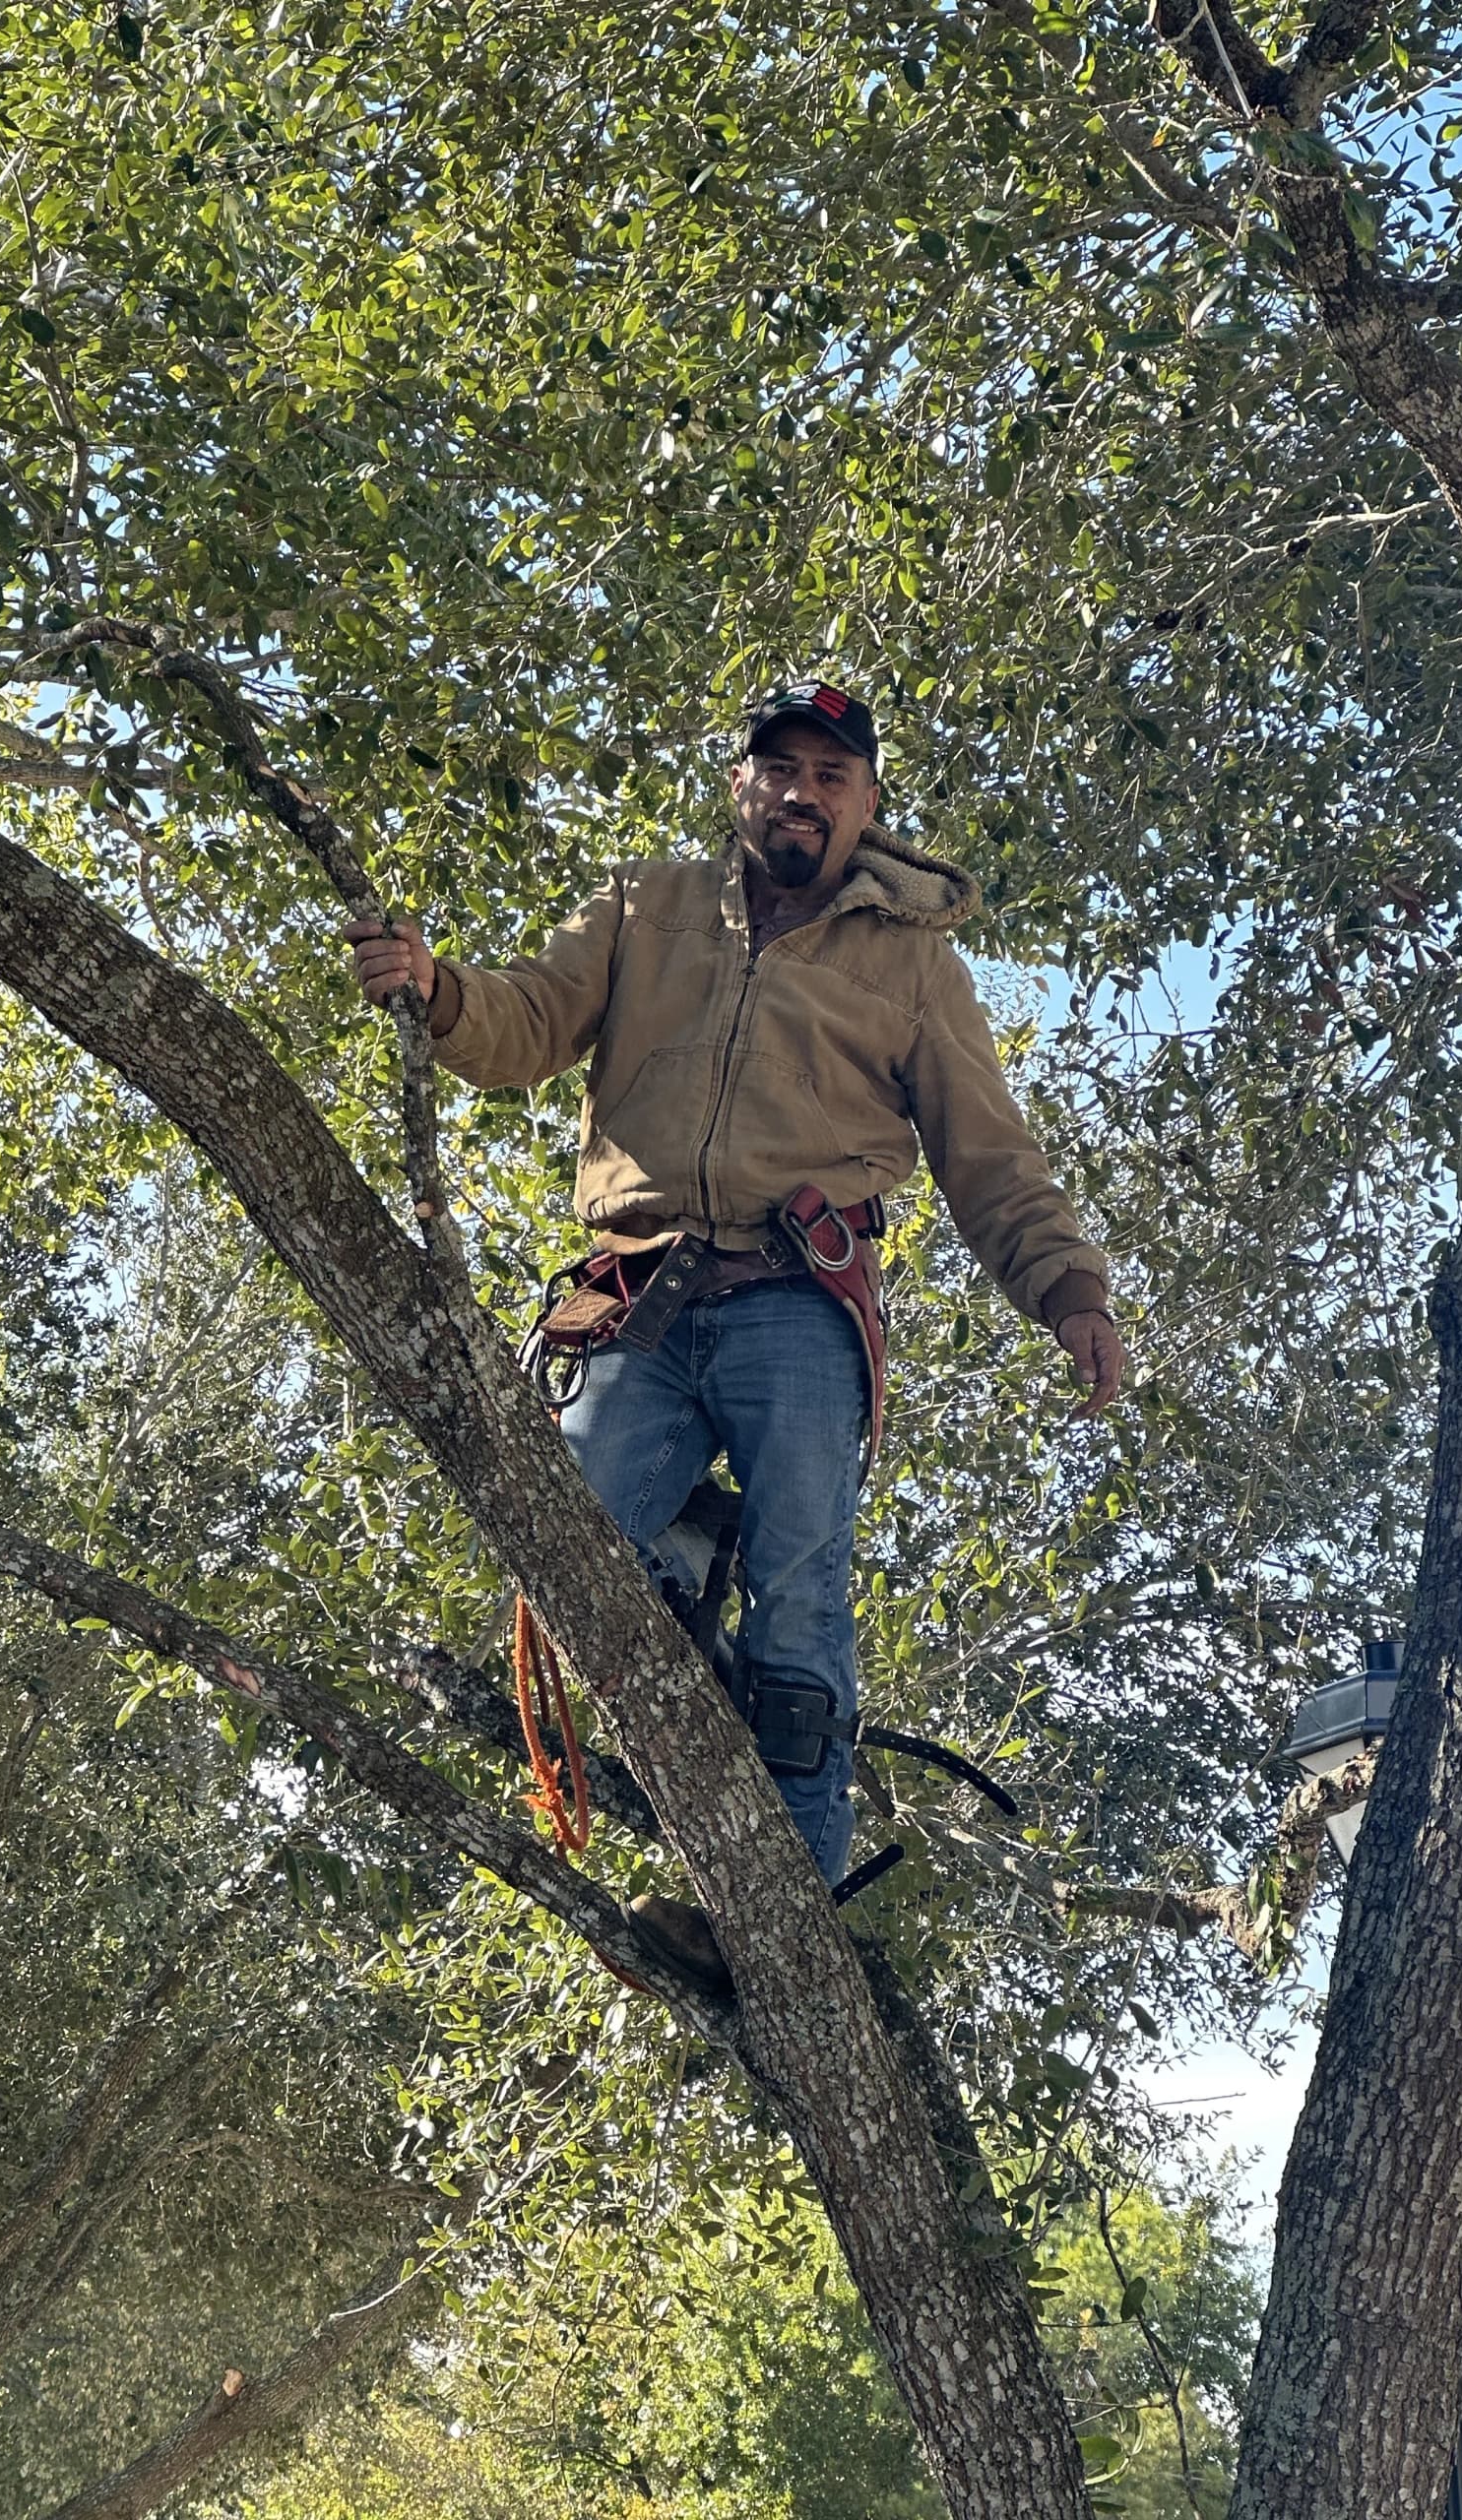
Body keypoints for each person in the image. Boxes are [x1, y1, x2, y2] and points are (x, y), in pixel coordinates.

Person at [348, 680, 1121, 1995]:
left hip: (795, 1301)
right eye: (781, 769)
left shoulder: (912, 961)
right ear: (739, 786)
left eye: (833, 774)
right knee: (567, 1541)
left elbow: (989, 1155)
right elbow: (525, 1022)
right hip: (635, 1295)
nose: (804, 792)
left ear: (866, 806)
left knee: (803, 1599)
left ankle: (792, 1907)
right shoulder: (646, 905)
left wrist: (1069, 1292)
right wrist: (435, 990)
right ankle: (692, 1564)